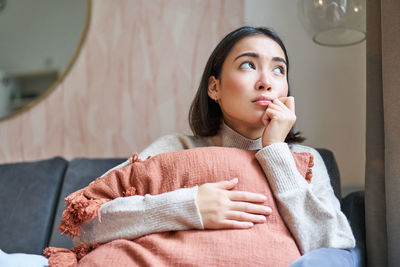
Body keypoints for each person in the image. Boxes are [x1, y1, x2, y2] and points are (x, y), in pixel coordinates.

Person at [4, 26, 357, 266]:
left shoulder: (303, 159)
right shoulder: (176, 148)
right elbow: (87, 223)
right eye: (249, 65)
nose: (267, 82)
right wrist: (190, 206)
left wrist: (276, 151)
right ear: (214, 88)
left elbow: (333, 246)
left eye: (279, 70)